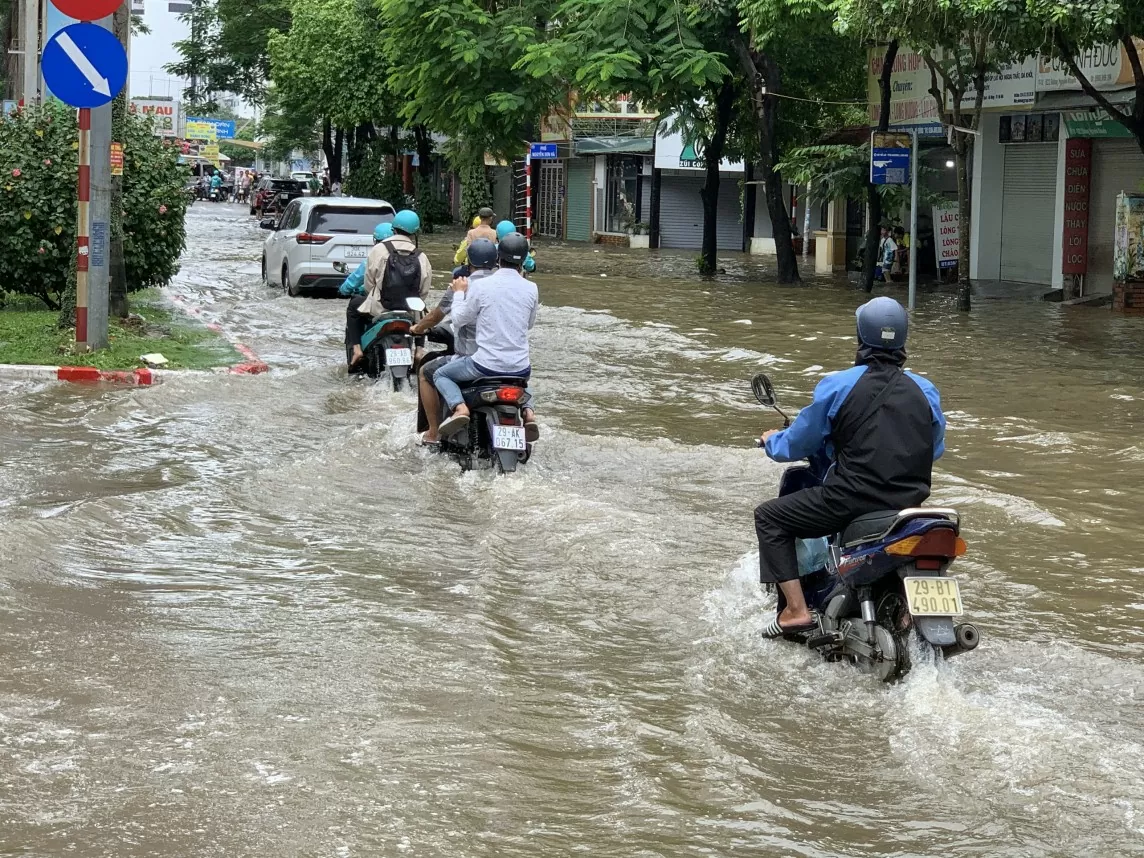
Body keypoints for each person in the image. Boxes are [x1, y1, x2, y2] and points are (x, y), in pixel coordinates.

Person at [753, 297, 945, 638]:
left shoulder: (839, 385)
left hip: (849, 501)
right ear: (903, 340)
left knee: (769, 517)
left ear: (861, 338)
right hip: (909, 507)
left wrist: (771, 441)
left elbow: (797, 443)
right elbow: (936, 448)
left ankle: (795, 611)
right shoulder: (925, 390)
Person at [434, 233, 539, 439]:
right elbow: (529, 324)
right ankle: (529, 412)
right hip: (521, 368)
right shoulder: (531, 288)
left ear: (498, 257)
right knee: (523, 382)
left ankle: (460, 408)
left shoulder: (482, 286)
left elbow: (459, 319)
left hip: (484, 365)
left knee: (441, 375)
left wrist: (458, 292)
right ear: (525, 259)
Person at [413, 238, 499, 444]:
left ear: (469, 262)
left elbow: (437, 316)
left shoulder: (462, 285)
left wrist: (417, 328)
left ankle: (433, 432)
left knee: (426, 373)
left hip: (474, 360)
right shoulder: (505, 285)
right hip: (504, 361)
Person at [345, 210, 431, 367]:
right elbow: (423, 291)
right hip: (409, 311)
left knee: (353, 307)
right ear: (415, 232)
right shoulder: (421, 256)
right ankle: (419, 351)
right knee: (422, 311)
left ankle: (357, 349)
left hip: (380, 308)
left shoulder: (379, 250)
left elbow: (369, 283)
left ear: (394, 229)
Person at [338, 222, 395, 299]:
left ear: (376, 240)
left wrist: (344, 290)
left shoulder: (373, 258)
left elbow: (357, 278)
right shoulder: (408, 254)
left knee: (354, 305)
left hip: (380, 301)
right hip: (404, 300)